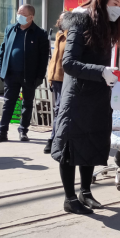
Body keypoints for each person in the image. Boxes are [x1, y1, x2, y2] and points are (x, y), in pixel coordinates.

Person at [51, 0, 120, 215]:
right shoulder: (81, 23)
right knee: (70, 148)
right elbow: (69, 63)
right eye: (114, 3)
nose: (118, 8)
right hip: (77, 98)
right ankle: (70, 198)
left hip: (97, 97)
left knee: (91, 144)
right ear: (101, 1)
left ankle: (85, 192)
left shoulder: (106, 27)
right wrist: (101, 72)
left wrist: (109, 76)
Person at [0, 4, 49, 144]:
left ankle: (23, 130)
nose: (19, 16)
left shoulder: (40, 34)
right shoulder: (10, 29)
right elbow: (3, 50)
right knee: (8, 103)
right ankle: (2, 131)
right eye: (18, 13)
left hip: (29, 76)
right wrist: (1, 70)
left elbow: (43, 59)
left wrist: (39, 77)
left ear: (31, 17)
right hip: (10, 74)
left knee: (27, 104)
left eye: (22, 14)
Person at [44, 12, 70, 155]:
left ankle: (54, 139)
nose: (60, 21)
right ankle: (55, 138)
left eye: (63, 19)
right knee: (58, 110)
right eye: (59, 18)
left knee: (60, 110)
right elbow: (54, 59)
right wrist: (50, 78)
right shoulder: (59, 35)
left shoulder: (70, 37)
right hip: (56, 79)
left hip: (65, 79)